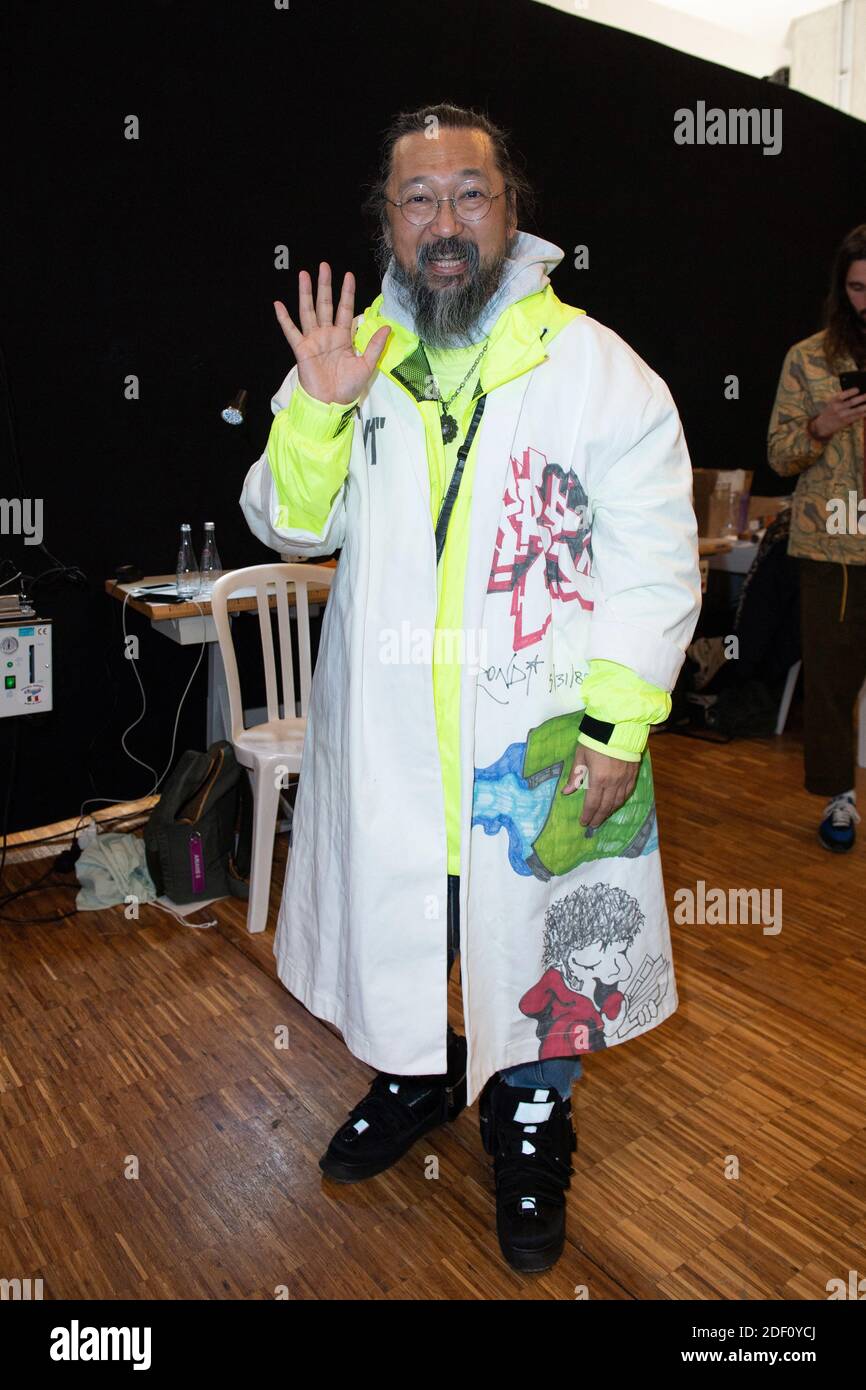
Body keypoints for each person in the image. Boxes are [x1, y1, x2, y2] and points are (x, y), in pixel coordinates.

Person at [240, 103, 701, 1272]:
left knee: (539, 947)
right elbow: (287, 522)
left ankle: (531, 1119)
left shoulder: (599, 373)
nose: (444, 222)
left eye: (469, 194)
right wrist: (320, 407)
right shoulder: (356, 364)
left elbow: (653, 564)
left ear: (511, 210)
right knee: (405, 935)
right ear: (387, 223)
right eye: (417, 199)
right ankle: (418, 1074)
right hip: (394, 743)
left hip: (534, 747)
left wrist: (614, 725)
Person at [768, 224, 866, 852]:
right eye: (858, 288)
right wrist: (821, 426)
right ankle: (840, 800)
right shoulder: (808, 359)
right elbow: (779, 455)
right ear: (842, 288)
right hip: (834, 550)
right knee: (830, 683)